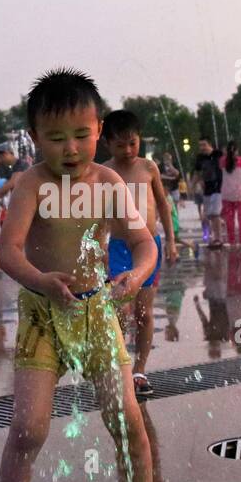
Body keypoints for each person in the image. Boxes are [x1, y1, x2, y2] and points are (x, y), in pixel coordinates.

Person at [0, 68, 172, 482]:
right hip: (44, 316)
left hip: (95, 313)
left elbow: (142, 242)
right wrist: (41, 280)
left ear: (100, 129)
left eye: (82, 135)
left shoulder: (108, 182)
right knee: (28, 427)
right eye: (55, 138)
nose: (70, 148)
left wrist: (137, 274)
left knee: (127, 419)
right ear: (34, 138)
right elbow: (9, 252)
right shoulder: (30, 184)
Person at [101, 109, 177, 398]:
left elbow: (163, 205)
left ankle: (140, 370)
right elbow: (100, 215)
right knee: (120, 311)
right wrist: (100, 245)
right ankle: (120, 367)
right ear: (107, 143)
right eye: (120, 145)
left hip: (150, 245)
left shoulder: (148, 168)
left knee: (144, 313)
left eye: (132, 143)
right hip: (120, 247)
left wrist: (170, 241)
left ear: (139, 139)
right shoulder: (104, 172)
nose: (128, 150)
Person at [217, 140, 241, 245]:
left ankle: (232, 242)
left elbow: (221, 168)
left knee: (229, 220)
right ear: (237, 150)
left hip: (227, 194)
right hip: (240, 195)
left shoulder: (222, 161)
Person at [195, 138, 224, 246]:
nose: (202, 147)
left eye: (204, 145)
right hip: (207, 189)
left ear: (210, 145)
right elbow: (197, 173)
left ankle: (218, 238)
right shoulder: (200, 158)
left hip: (218, 188)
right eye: (200, 145)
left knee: (215, 214)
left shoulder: (218, 154)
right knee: (206, 215)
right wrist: (194, 185)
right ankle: (208, 235)